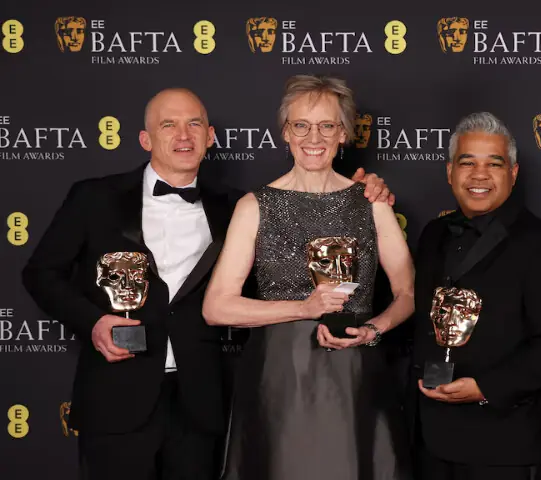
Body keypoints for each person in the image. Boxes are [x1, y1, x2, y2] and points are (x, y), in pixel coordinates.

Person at [21, 87, 393, 480]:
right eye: (169, 125)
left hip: (200, 398)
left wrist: (366, 190)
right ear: (146, 139)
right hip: (117, 395)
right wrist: (93, 321)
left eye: (194, 123)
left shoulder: (238, 205)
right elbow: (41, 274)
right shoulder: (94, 197)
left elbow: (309, 214)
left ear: (210, 136)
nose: (184, 135)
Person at [202, 74, 415, 480]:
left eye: (327, 125)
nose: (312, 136)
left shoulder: (372, 202)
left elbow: (407, 292)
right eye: (301, 125)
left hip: (354, 376)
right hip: (279, 379)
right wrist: (303, 307)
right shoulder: (255, 206)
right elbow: (216, 307)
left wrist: (374, 328)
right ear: (285, 132)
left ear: (344, 134)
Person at [408, 112, 541, 480]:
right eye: (467, 162)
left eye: (494, 163)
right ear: (449, 172)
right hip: (430, 442)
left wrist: (486, 388)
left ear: (513, 173)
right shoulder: (433, 234)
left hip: (506, 447)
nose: (479, 175)